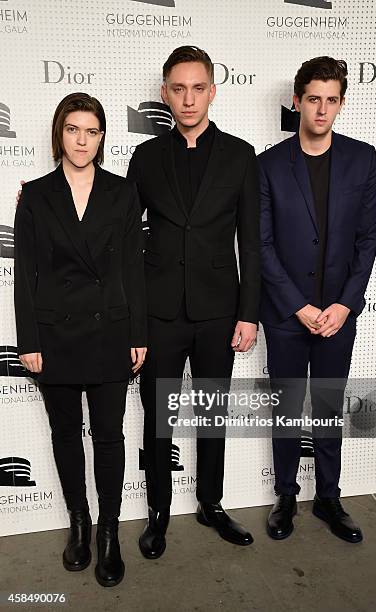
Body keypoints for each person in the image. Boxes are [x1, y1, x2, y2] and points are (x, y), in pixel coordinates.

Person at [127, 46, 260, 558]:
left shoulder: (239, 155)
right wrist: (51, 195)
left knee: (211, 414)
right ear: (165, 93)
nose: (188, 99)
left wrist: (249, 313)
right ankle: (158, 511)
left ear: (212, 90)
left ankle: (210, 502)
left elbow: (250, 241)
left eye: (197, 88)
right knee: (158, 417)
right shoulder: (146, 157)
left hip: (218, 312)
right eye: (177, 89)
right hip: (159, 312)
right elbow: (116, 222)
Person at [14, 93, 147, 587]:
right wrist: (29, 339)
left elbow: (133, 267)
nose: (81, 140)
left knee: (110, 439)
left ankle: (109, 532)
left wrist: (138, 332)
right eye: (73, 129)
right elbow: (26, 273)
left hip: (111, 333)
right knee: (67, 436)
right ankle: (79, 524)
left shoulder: (122, 191)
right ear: (59, 134)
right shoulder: (37, 194)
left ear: (102, 137)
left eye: (91, 131)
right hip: (55, 336)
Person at [258, 57, 376, 543]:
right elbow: (261, 246)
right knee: (287, 406)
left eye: (332, 100)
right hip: (288, 315)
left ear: (342, 103)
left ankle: (329, 496)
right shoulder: (268, 164)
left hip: (339, 314)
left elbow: (368, 239)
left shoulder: (362, 158)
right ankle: (285, 496)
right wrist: (298, 306)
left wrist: (345, 305)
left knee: (328, 405)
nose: (322, 109)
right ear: (297, 102)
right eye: (314, 99)